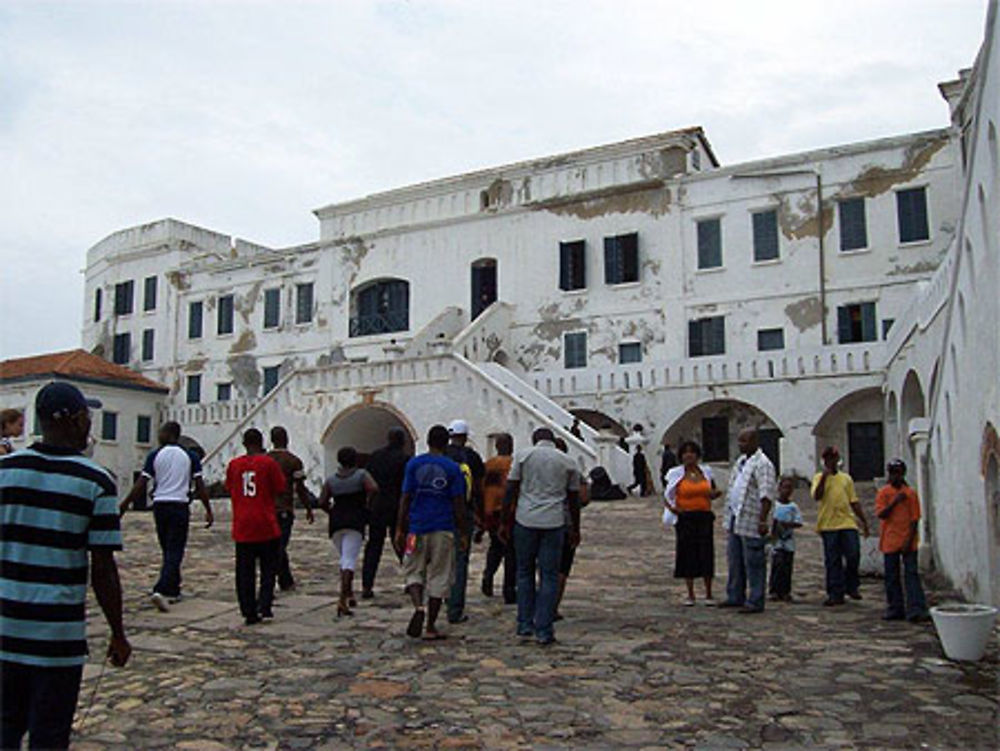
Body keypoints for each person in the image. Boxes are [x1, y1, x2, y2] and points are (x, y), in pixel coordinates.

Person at [0, 382, 131, 750]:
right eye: (87, 416)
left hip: (6, 624)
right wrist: (117, 632)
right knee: (50, 733)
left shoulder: (4, 471)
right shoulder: (95, 481)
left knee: (5, 726)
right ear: (75, 420)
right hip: (56, 634)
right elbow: (102, 568)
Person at [120, 420, 214, 612]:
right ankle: (165, 588)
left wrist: (125, 503)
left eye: (161, 432)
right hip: (179, 505)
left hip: (160, 505)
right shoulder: (190, 456)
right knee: (174, 549)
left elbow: (141, 483)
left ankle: (170, 587)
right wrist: (208, 508)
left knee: (168, 548)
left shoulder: (156, 455)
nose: (158, 435)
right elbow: (199, 485)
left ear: (170, 434)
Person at [501, 427, 580, 646]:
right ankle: (544, 628)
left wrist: (504, 520)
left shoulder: (523, 456)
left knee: (524, 572)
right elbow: (573, 500)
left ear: (534, 440)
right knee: (549, 576)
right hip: (554, 521)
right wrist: (575, 527)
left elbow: (511, 490)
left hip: (525, 518)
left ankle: (525, 623)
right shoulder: (567, 461)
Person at [393, 425, 469, 640]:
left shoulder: (413, 464)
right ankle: (430, 626)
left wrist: (400, 528)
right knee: (440, 575)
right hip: (443, 528)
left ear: (427, 441)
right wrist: (463, 532)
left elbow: (405, 498)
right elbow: (458, 503)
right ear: (446, 443)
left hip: (416, 527)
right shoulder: (452, 468)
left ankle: (418, 606)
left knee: (414, 570)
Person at [225, 429, 286, 625]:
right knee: (268, 569)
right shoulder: (269, 463)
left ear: (244, 443)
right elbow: (280, 488)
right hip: (266, 522)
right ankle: (265, 606)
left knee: (244, 571)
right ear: (261, 442)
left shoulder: (234, 465)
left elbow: (229, 487)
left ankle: (248, 610)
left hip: (242, 524)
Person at [721, 428, 777, 614]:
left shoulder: (763, 464)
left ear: (755, 441)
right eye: (739, 441)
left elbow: (766, 494)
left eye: (744, 441)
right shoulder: (741, 462)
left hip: (752, 519)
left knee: (754, 561)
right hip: (736, 517)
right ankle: (735, 595)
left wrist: (763, 520)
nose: (740, 444)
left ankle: (755, 599)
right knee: (735, 559)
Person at [317, 447, 378, 617]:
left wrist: (331, 511)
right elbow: (373, 488)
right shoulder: (361, 475)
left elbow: (322, 501)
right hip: (355, 519)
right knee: (349, 561)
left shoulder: (331, 480)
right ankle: (342, 599)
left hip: (336, 521)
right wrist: (367, 503)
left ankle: (349, 593)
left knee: (344, 558)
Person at [811, 446, 870, 606]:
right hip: (828, 523)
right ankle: (835, 592)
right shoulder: (818, 477)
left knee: (853, 555)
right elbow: (817, 495)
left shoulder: (846, 479)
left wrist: (863, 521)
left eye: (833, 458)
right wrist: (824, 476)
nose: (831, 461)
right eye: (828, 458)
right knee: (832, 560)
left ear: (837, 459)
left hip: (847, 521)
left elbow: (854, 501)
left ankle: (851, 585)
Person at [664, 440, 720, 606]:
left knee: (706, 552)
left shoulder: (706, 472)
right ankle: (690, 593)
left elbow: (711, 490)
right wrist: (673, 509)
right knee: (687, 553)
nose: (689, 455)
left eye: (692, 452)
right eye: (685, 452)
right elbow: (668, 495)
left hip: (704, 516)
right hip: (686, 518)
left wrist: (715, 494)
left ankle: (709, 592)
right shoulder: (675, 474)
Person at [875, 459, 929, 622]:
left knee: (911, 575)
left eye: (897, 473)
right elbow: (881, 514)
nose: (894, 476)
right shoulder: (884, 493)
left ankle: (916, 608)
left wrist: (909, 540)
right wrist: (895, 502)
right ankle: (895, 608)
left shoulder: (911, 494)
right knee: (892, 577)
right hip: (890, 540)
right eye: (892, 473)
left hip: (908, 541)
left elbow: (915, 519)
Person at [361, 427, 411, 599]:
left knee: (374, 546)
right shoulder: (405, 459)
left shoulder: (376, 457)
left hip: (378, 505)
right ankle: (411, 581)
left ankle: (367, 584)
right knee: (402, 544)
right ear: (402, 441)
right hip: (397, 505)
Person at [444, 418, 484, 624]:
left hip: (440, 513)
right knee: (460, 560)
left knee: (440, 560)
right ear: (465, 436)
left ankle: (440, 597)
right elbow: (478, 488)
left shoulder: (441, 456)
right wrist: (480, 515)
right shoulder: (472, 458)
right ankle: (455, 608)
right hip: (464, 513)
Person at [267, 426, 315, 593]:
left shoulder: (265, 460)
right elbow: (300, 487)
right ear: (286, 439)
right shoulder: (293, 461)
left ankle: (285, 580)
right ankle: (272, 579)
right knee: (280, 546)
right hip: (284, 508)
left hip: (267, 509)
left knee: (276, 545)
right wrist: (308, 507)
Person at [481, 433, 516, 603]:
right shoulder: (514, 465)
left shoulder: (489, 465)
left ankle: (488, 577)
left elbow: (481, 490)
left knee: (495, 548)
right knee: (511, 552)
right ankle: (509, 589)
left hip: (491, 511)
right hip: (510, 512)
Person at [553, 437, 585, 622]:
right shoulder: (571, 468)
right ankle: (553, 607)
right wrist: (576, 527)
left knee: (543, 568)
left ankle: (537, 607)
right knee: (562, 569)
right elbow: (582, 499)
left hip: (538, 521)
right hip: (565, 522)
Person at [768, 476, 803, 602]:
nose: (787, 490)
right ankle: (774, 590)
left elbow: (799, 522)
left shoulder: (793, 507)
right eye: (784, 487)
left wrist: (788, 524)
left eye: (789, 488)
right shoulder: (774, 505)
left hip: (788, 542)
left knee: (787, 567)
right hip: (776, 541)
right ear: (779, 488)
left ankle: (785, 591)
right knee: (777, 565)